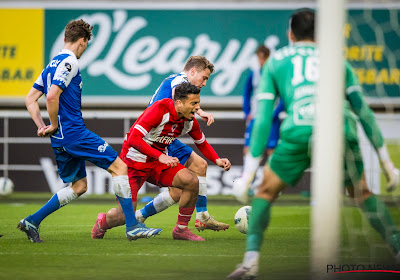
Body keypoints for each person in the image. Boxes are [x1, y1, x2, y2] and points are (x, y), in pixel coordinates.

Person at [228, 9, 400, 279]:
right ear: (322, 35)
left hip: (298, 128)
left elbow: (262, 119)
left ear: (290, 34)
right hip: (340, 130)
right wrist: (387, 163)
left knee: (264, 193)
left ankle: (250, 263)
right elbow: (364, 112)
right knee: (363, 194)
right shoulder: (337, 60)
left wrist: (247, 174)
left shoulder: (276, 62)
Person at [18, 19, 161, 243]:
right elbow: (51, 96)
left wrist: (42, 126)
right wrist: (53, 124)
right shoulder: (70, 61)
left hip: (59, 139)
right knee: (120, 167)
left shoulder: (50, 65)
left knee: (79, 186)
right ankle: (132, 226)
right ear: (82, 41)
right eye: (86, 44)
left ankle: (32, 221)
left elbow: (29, 99)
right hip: (74, 133)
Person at [93, 56, 229, 233]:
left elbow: (201, 141)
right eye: (204, 78)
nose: (204, 83)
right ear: (193, 72)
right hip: (148, 143)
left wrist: (217, 159)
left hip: (165, 139)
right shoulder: (179, 82)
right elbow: (177, 93)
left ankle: (190, 220)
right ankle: (125, 218)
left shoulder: (186, 116)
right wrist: (199, 110)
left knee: (186, 183)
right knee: (123, 215)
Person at [234, 45, 285, 204]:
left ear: (268, 57)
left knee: (271, 151)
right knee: (248, 149)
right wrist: (247, 111)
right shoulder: (254, 74)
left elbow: (283, 96)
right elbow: (246, 92)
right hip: (256, 118)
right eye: (259, 58)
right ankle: (247, 184)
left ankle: (273, 185)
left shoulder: (276, 74)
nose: (261, 61)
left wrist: (274, 114)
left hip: (271, 119)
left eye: (264, 58)